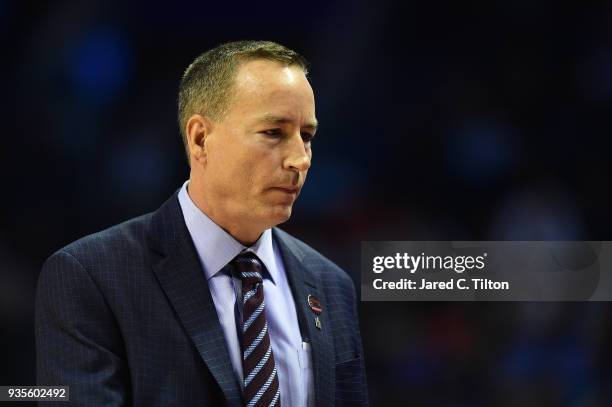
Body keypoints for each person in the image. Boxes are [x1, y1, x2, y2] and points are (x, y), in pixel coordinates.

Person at [35, 40, 368, 407]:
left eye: (307, 136)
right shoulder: (91, 276)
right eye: (274, 133)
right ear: (200, 138)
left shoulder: (332, 285)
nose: (299, 160)